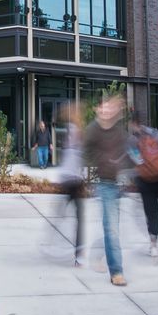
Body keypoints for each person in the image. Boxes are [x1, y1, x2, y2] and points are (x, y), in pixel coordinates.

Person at [84, 93, 129, 287]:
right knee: (112, 229)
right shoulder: (92, 130)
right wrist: (101, 161)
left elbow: (127, 153)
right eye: (103, 108)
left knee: (112, 227)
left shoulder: (119, 131)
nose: (106, 111)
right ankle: (117, 271)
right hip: (104, 184)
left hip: (119, 183)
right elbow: (84, 152)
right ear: (98, 110)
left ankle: (97, 253)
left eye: (110, 107)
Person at [129, 116, 158, 262]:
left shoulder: (133, 140)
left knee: (150, 211)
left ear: (133, 124)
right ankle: (155, 239)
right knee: (155, 212)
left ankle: (153, 244)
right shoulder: (157, 134)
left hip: (145, 179)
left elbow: (135, 159)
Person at [56, 103, 87, 266]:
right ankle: (79, 253)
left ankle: (77, 252)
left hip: (70, 178)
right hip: (72, 179)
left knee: (66, 213)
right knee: (79, 217)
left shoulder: (71, 130)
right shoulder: (74, 130)